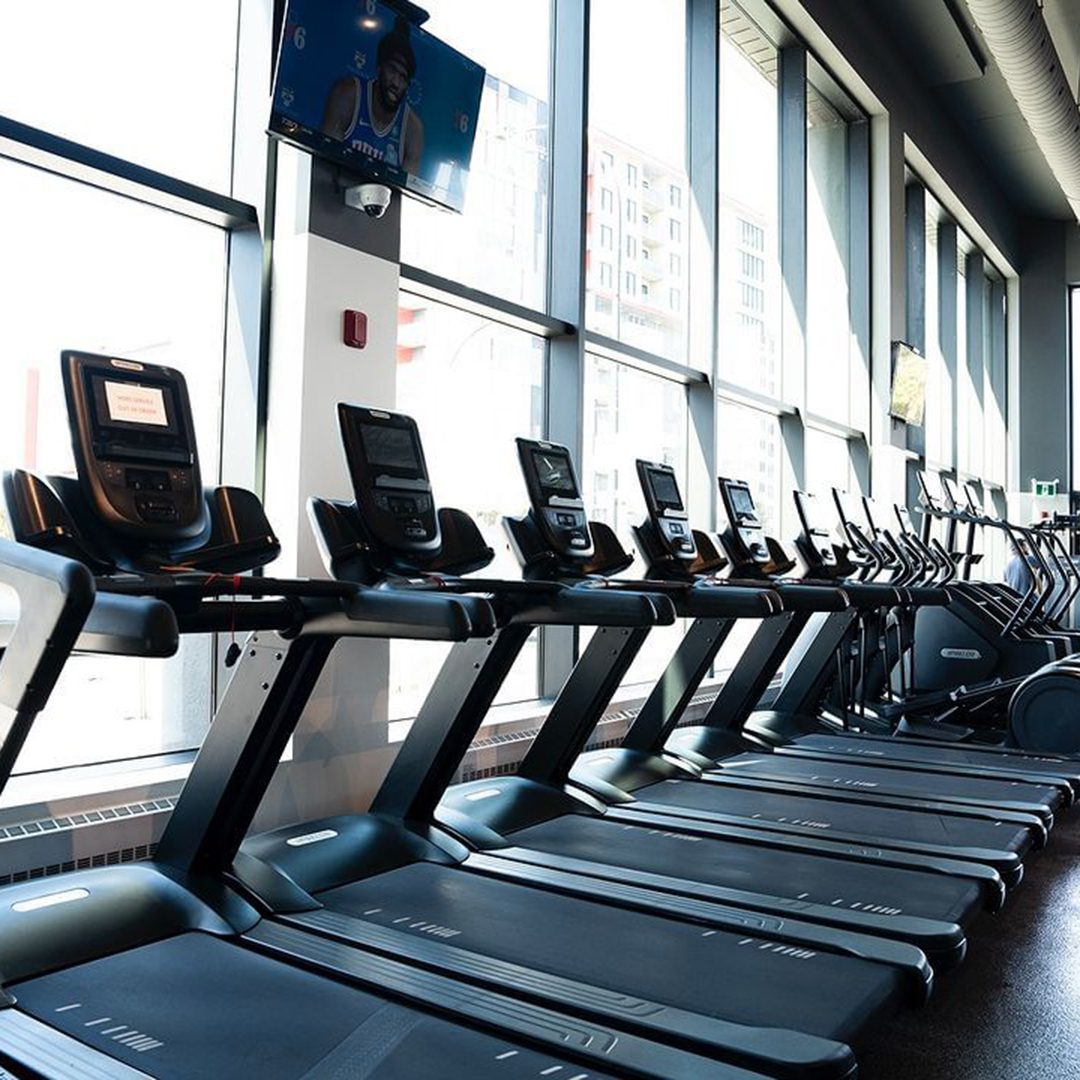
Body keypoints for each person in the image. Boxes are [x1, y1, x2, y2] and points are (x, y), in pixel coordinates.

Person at [321, 19, 425, 174]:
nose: (396, 83)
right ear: (379, 68)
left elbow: (403, 196)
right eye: (392, 70)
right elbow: (324, 167)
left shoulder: (412, 129)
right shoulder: (348, 94)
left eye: (403, 77)